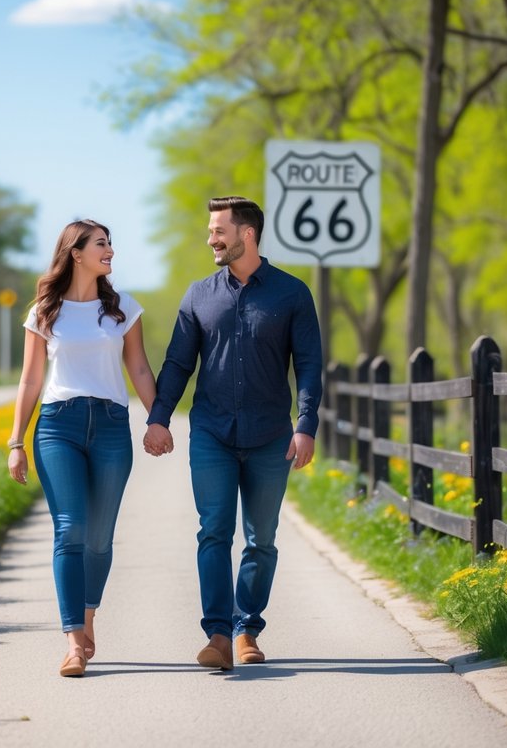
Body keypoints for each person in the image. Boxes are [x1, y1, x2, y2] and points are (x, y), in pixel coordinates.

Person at [143, 195, 322, 670]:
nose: (211, 239)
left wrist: (306, 424)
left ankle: (248, 628)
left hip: (270, 437)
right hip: (212, 434)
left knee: (261, 538)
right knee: (213, 532)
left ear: (247, 234)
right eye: (210, 230)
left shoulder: (292, 294)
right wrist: (158, 417)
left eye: (218, 230)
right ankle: (218, 635)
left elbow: (308, 365)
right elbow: (179, 363)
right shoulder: (199, 295)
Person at [7, 219, 158, 678]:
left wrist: (159, 420)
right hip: (58, 426)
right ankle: (74, 641)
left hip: (112, 426)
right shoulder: (44, 311)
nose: (110, 250)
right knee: (70, 529)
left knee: (99, 538)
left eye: (111, 242)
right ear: (76, 252)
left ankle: (88, 617)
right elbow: (31, 378)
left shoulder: (122, 309)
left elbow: (140, 370)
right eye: (101, 244)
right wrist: (16, 441)